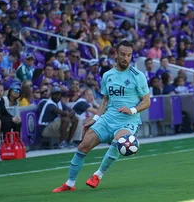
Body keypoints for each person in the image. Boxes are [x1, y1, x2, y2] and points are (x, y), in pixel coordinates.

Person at [52, 40, 150, 192]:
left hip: (128, 121)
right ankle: (69, 183)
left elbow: (146, 101)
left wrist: (132, 110)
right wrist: (95, 119)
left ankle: (98, 175)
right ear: (116, 54)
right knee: (83, 145)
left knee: (120, 140)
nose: (126, 58)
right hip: (108, 119)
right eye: (123, 54)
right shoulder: (107, 75)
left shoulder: (138, 76)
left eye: (129, 55)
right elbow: (105, 101)